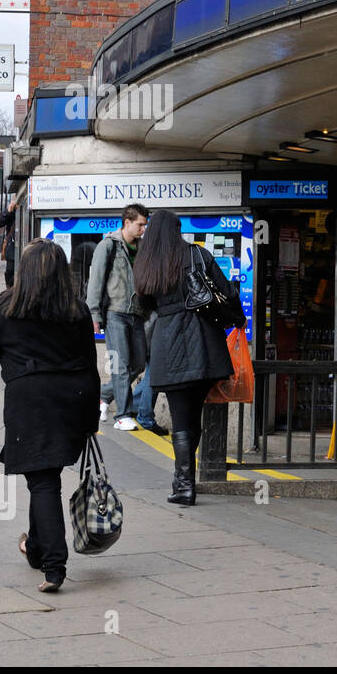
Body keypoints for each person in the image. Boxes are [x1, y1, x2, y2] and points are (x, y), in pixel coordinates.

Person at [0, 239, 100, 593]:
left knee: (43, 481)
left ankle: (54, 566)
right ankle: (36, 547)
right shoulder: (77, 310)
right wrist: (91, 417)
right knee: (46, 476)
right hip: (74, 396)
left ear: (23, 271)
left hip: (32, 400)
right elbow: (91, 362)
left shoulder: (6, 308)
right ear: (62, 271)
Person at [133, 209, 235, 506]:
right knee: (193, 415)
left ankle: (184, 485)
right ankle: (186, 481)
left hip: (169, 341)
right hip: (205, 342)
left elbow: (143, 304)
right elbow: (227, 291)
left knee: (180, 418)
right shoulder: (197, 255)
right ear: (178, 230)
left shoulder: (148, 262)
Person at [86, 203, 149, 430]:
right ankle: (123, 415)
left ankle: (103, 395)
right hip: (115, 313)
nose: (143, 229)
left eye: (145, 224)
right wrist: (93, 313)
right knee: (120, 366)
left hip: (138, 313)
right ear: (127, 223)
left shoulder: (143, 248)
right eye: (140, 224)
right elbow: (96, 281)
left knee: (139, 363)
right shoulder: (108, 246)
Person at [130, 311, 168, 435]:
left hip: (144, 332)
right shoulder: (158, 294)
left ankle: (135, 407)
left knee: (150, 373)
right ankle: (145, 418)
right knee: (153, 375)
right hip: (153, 333)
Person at [0, 193, 23, 289]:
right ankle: (10, 288)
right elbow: (0, 223)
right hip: (12, 245)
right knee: (10, 270)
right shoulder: (11, 211)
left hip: (24, 244)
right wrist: (8, 212)